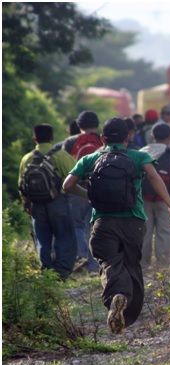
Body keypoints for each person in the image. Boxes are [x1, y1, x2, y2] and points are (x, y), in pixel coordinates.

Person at [63, 118, 170, 335]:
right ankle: (125, 311)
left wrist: (89, 195)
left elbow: (67, 185)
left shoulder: (91, 158)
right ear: (128, 137)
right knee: (131, 264)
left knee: (109, 263)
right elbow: (155, 178)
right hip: (133, 221)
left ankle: (117, 298)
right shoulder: (138, 156)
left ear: (103, 138)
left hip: (103, 222)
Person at [19, 124, 78, 280]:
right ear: (52, 138)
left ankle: (47, 272)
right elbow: (75, 175)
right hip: (58, 201)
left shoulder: (27, 158)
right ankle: (62, 272)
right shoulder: (60, 155)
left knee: (42, 239)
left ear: (34, 139)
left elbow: (21, 184)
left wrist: (27, 204)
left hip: (36, 205)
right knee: (64, 235)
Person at [139, 123, 170, 269]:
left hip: (144, 198)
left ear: (152, 136)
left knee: (144, 231)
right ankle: (164, 265)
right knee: (166, 232)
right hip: (166, 199)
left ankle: (142, 264)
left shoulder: (142, 152)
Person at [62, 111, 102, 274]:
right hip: (98, 187)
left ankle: (80, 256)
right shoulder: (101, 139)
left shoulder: (71, 141)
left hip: (77, 188)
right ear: (97, 124)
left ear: (79, 126)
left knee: (77, 224)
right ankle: (94, 265)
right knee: (94, 225)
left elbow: (66, 165)